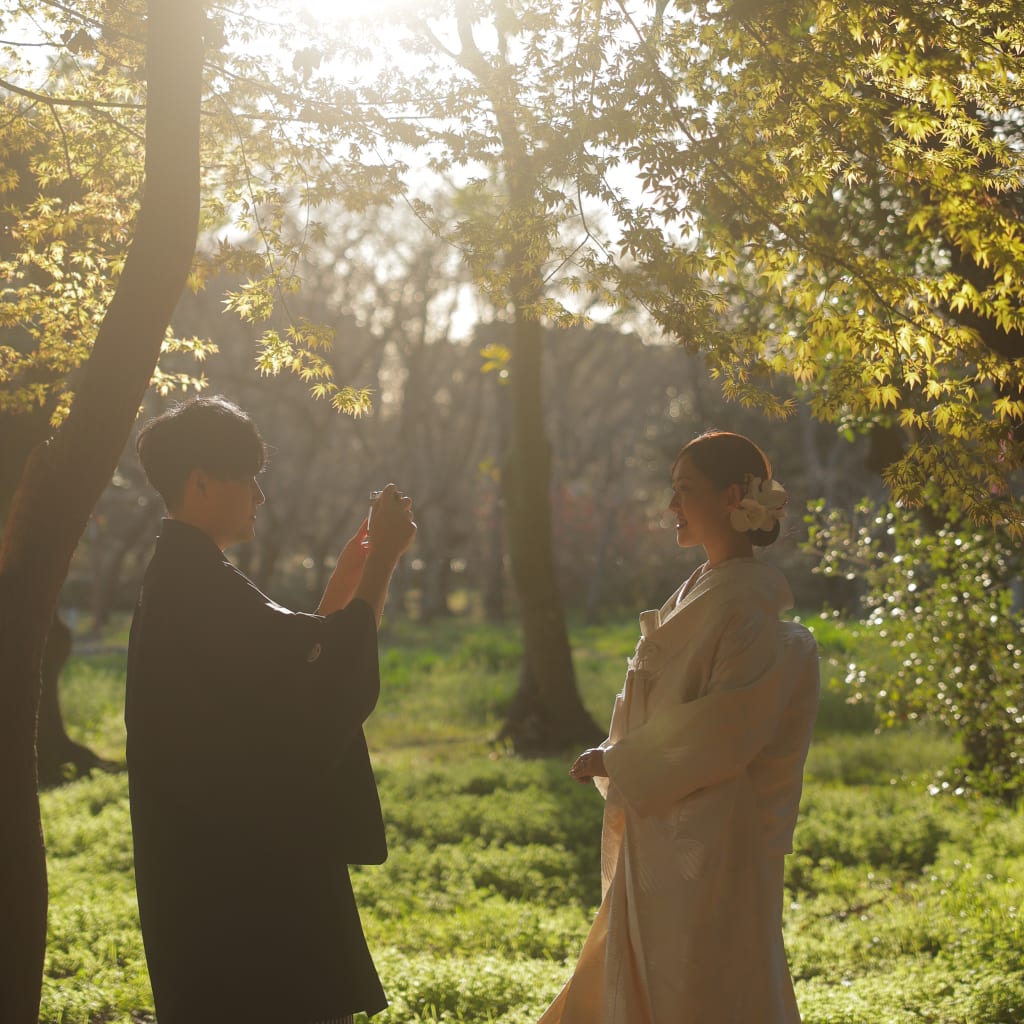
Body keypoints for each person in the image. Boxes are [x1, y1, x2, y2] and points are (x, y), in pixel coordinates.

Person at [125, 396, 415, 1024]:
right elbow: (319, 673)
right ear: (200, 481)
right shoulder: (194, 582)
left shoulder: (187, 572)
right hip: (243, 863)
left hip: (217, 850)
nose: (259, 496)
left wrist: (356, 568)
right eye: (247, 477)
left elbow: (292, 661)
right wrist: (385, 561)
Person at [539, 431, 820, 1024]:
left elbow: (726, 727)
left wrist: (621, 759)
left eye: (684, 490)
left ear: (732, 497)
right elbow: (656, 699)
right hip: (661, 819)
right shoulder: (702, 586)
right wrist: (615, 750)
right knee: (646, 973)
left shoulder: (745, 605)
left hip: (710, 832)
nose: (671, 507)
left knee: (697, 981)